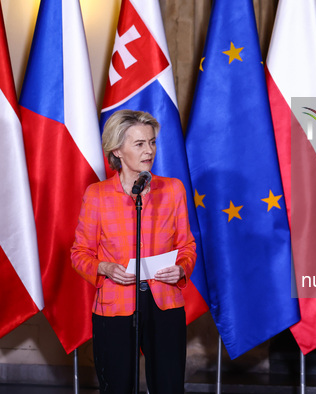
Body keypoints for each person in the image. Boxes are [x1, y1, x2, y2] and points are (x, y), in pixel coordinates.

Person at [71, 110, 196, 394]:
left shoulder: (173, 190)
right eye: (139, 144)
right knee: (117, 387)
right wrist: (105, 268)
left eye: (151, 142)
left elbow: (187, 246)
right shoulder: (97, 195)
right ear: (117, 149)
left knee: (169, 387)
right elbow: (79, 253)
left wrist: (181, 269)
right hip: (115, 305)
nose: (149, 150)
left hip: (164, 304)